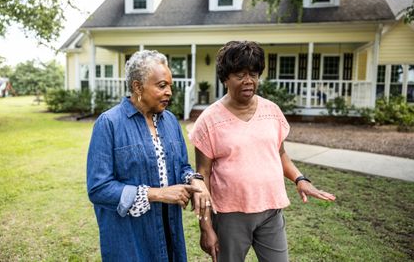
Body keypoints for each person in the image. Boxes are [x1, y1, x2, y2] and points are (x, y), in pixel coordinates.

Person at [189, 41, 336, 262]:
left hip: (271, 211)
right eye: (240, 75)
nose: (249, 81)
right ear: (225, 78)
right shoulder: (209, 120)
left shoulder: (272, 111)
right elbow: (203, 176)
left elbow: (280, 154)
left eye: (254, 74)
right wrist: (206, 227)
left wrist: (300, 179)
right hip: (230, 215)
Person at [87, 50, 212, 261]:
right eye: (162, 85)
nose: (169, 92)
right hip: (130, 237)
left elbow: (182, 166)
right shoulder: (109, 123)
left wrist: (194, 180)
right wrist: (157, 194)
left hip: (169, 230)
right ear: (137, 87)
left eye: (170, 86)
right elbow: (98, 188)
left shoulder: (171, 121)